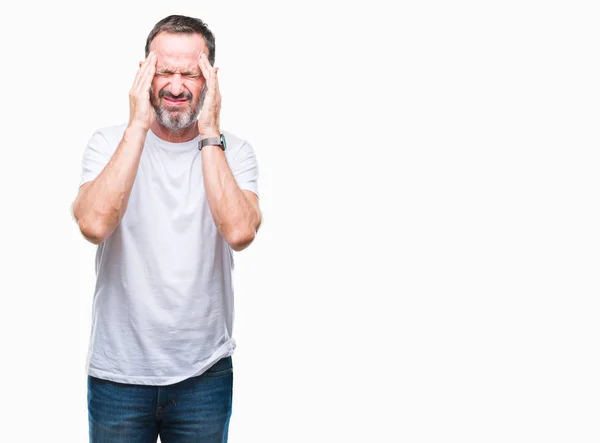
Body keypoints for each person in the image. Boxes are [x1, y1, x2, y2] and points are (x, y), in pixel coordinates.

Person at [71, 14, 261, 443]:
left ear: (210, 80)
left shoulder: (236, 151)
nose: (176, 87)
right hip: (118, 375)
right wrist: (138, 124)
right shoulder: (107, 143)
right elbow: (94, 224)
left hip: (204, 375)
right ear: (144, 75)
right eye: (164, 72)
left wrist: (209, 131)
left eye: (190, 74)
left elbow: (239, 233)